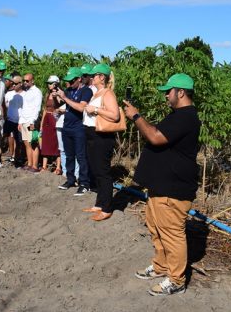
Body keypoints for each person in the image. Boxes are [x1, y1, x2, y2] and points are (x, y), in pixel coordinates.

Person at [123, 73, 201, 296]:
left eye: (169, 91)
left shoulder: (186, 117)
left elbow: (156, 137)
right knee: (157, 229)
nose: (166, 95)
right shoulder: (177, 115)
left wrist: (136, 116)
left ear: (181, 92)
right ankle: (161, 266)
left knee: (172, 234)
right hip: (161, 186)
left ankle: (176, 280)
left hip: (174, 189)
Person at [80, 63, 120, 221]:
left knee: (103, 172)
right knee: (96, 170)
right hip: (91, 134)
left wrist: (95, 110)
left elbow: (115, 115)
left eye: (93, 75)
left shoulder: (108, 94)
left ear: (101, 77)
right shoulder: (96, 93)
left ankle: (107, 208)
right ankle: (99, 203)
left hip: (101, 137)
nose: (91, 77)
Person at [55, 67, 93, 195]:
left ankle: (84, 183)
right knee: (69, 155)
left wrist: (65, 98)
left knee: (81, 156)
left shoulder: (86, 91)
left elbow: (81, 108)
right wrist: (57, 97)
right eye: (68, 81)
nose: (69, 84)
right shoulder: (69, 90)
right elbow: (62, 104)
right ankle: (70, 179)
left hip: (79, 128)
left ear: (79, 79)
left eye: (71, 81)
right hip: (67, 126)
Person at [18, 73, 42, 172]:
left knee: (33, 143)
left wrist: (33, 122)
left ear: (32, 81)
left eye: (27, 81)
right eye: (24, 81)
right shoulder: (25, 92)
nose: (25, 82)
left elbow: (37, 108)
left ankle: (35, 166)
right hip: (24, 120)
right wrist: (20, 122)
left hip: (30, 121)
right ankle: (29, 164)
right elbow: (23, 108)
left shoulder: (37, 92)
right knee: (27, 144)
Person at [39, 75, 62, 172]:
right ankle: (44, 166)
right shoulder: (47, 95)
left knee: (56, 143)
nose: (49, 85)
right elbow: (45, 109)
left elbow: (60, 105)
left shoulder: (60, 94)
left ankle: (58, 167)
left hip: (55, 119)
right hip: (47, 120)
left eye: (50, 83)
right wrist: (41, 124)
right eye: (48, 83)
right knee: (46, 143)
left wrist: (56, 95)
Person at [3, 75, 23, 163]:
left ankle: (17, 158)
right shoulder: (8, 94)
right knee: (4, 136)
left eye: (15, 84)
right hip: (9, 119)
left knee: (19, 141)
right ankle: (1, 156)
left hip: (19, 121)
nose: (13, 85)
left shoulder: (25, 95)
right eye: (13, 84)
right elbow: (4, 105)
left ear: (20, 84)